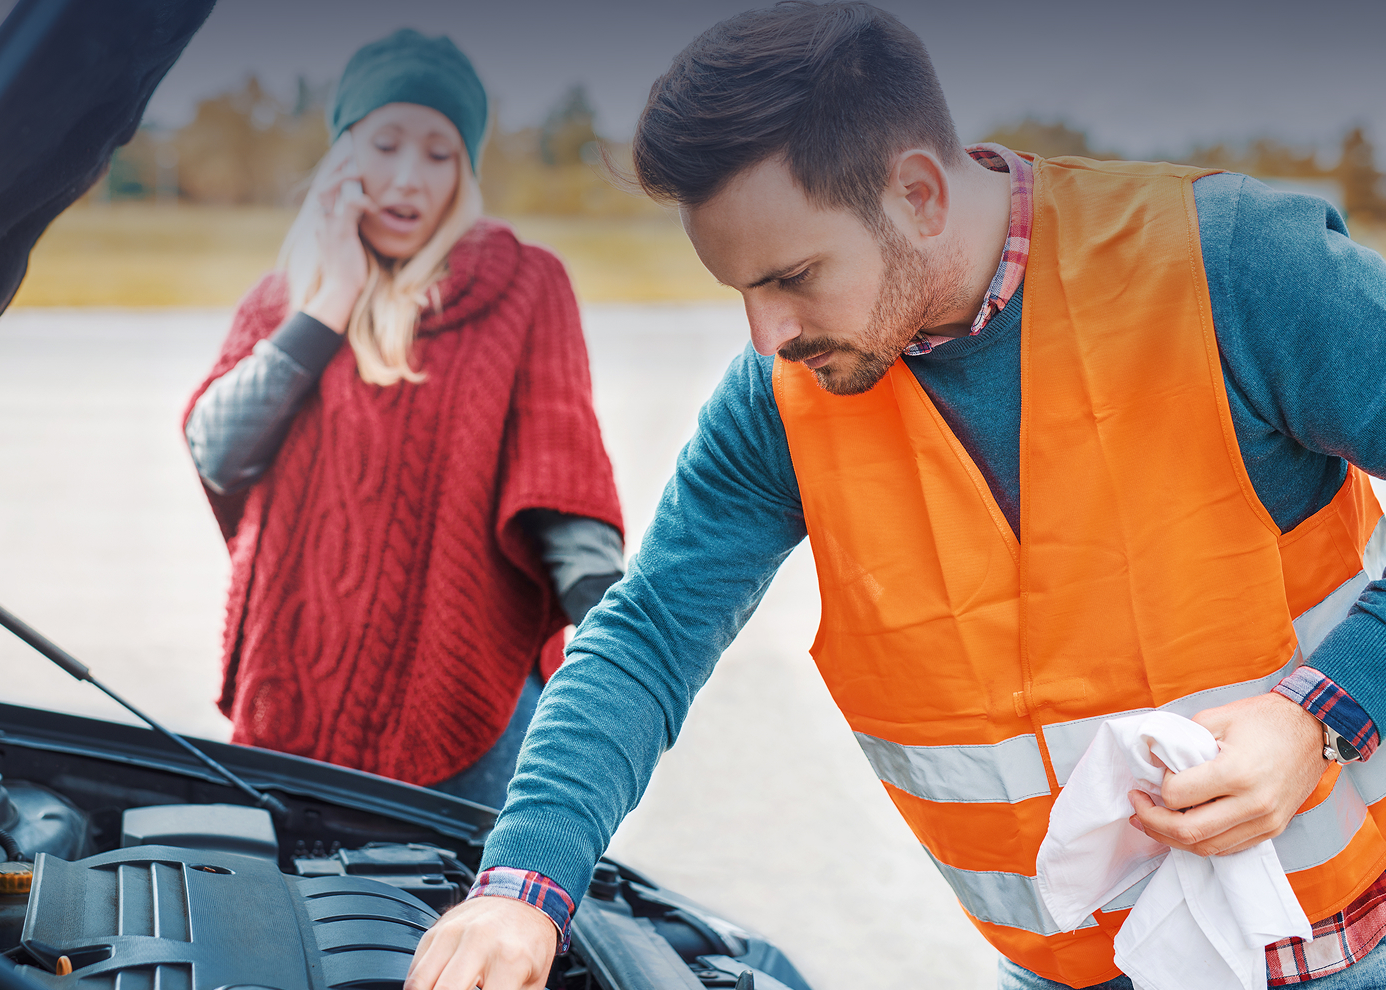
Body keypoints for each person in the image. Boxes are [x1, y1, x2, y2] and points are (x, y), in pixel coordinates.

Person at [405, 3, 1386, 989]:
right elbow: (651, 630)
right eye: (739, 288)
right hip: (1067, 973)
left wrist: (1318, 717)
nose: (765, 335)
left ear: (918, 193)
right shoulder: (781, 400)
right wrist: (519, 885)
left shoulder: (1236, 267)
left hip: (1346, 953)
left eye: (793, 276)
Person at [182, 29, 624, 811]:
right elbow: (218, 451)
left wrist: (614, 658)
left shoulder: (525, 286)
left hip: (468, 703)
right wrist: (328, 304)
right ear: (343, 155)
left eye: (438, 153)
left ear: (465, 173)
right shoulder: (283, 300)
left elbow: (562, 480)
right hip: (289, 691)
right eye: (384, 144)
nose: (407, 178)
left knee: (451, 924)